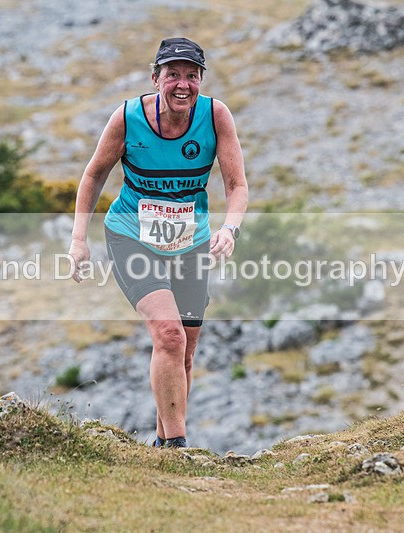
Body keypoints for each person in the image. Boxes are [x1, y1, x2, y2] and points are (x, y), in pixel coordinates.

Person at [68, 37, 248, 448]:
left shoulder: (216, 115)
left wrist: (229, 228)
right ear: (156, 78)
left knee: (184, 353)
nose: (182, 84)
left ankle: (162, 445)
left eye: (192, 75)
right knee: (168, 334)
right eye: (173, 75)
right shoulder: (128, 117)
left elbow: (237, 185)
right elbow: (94, 174)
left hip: (190, 243)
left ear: (201, 80)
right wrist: (79, 238)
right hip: (133, 236)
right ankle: (178, 449)